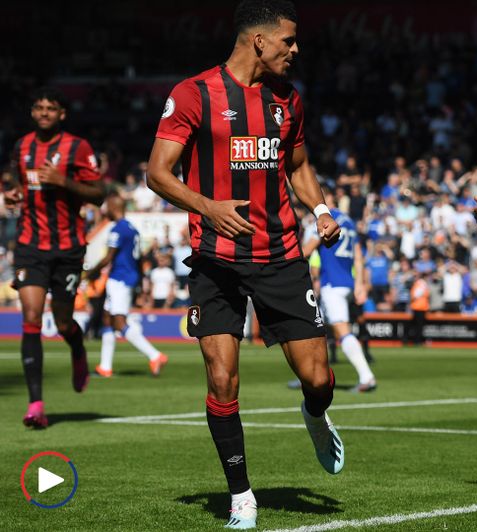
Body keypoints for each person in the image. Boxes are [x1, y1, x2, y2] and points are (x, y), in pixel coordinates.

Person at [146, 1, 344, 528]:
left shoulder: (288, 99)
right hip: (215, 259)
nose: (295, 50)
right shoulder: (194, 93)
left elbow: (298, 165)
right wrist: (208, 207)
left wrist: (321, 210)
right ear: (259, 40)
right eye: (289, 40)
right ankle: (241, 495)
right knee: (222, 379)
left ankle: (316, 413)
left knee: (319, 379)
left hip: (280, 256)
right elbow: (157, 173)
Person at [7, 87, 105, 429]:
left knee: (63, 323)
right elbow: (17, 181)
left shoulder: (78, 148)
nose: (44, 112)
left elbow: (99, 193)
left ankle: (77, 347)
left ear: (62, 114)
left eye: (51, 108)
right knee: (31, 316)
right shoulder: (21, 146)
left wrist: (63, 181)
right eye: (39, 107)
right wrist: (13, 193)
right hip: (30, 246)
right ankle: (36, 405)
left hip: (67, 248)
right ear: (32, 112)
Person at [86, 193, 169, 378]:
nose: (104, 209)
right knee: (107, 319)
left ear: (114, 207)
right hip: (126, 278)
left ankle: (155, 356)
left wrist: (90, 272)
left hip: (120, 279)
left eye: (106, 206)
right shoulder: (133, 229)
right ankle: (105, 367)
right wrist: (139, 282)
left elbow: (109, 257)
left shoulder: (118, 229)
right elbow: (138, 259)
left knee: (119, 322)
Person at [312, 192, 376, 392]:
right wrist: (359, 283)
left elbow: (307, 249)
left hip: (332, 283)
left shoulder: (324, 220)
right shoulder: (348, 221)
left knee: (342, 330)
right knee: (316, 328)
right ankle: (311, 376)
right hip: (347, 282)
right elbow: (358, 255)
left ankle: (367, 377)